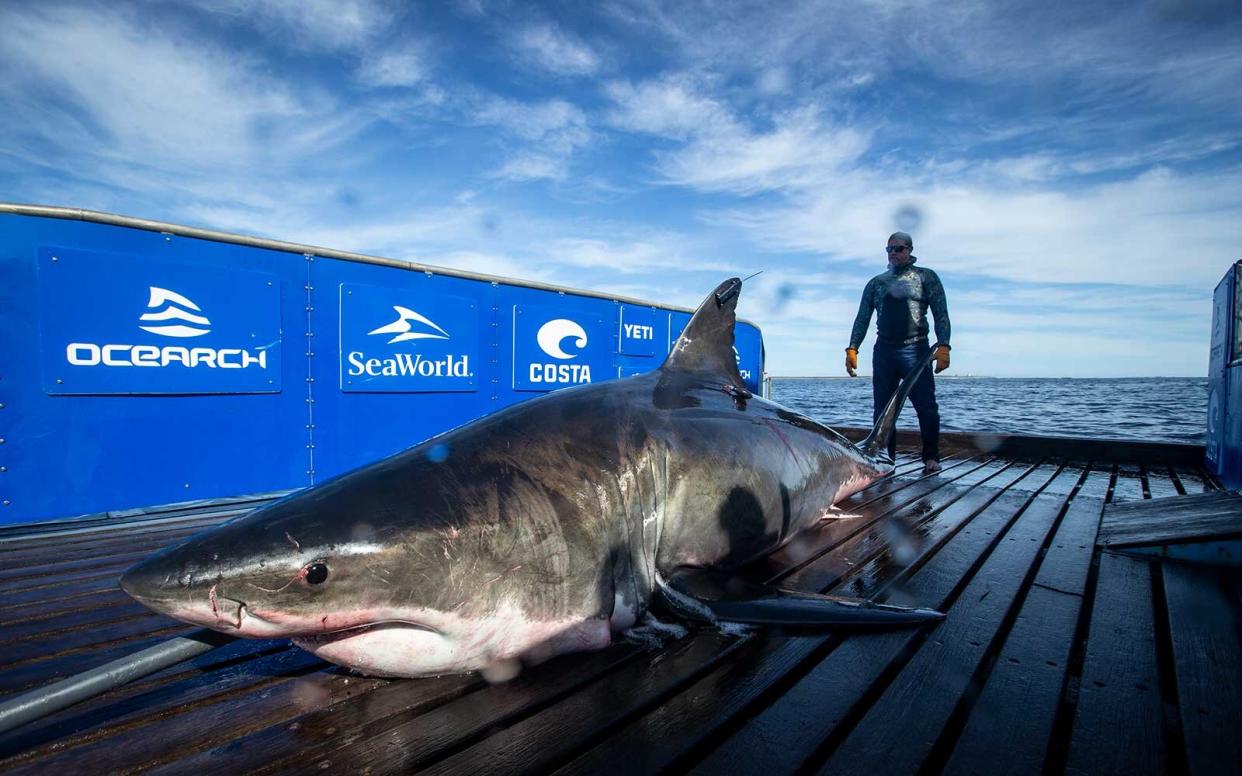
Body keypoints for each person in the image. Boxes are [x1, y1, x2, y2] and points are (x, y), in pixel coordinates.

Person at [845, 231, 951, 474]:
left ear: (910, 250)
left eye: (899, 248)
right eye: (889, 249)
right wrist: (852, 347)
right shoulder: (876, 283)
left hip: (916, 349)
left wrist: (943, 344)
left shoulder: (926, 277)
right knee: (882, 409)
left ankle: (931, 457)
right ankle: (885, 459)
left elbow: (941, 313)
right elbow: (862, 318)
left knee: (926, 406)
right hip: (884, 350)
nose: (894, 253)